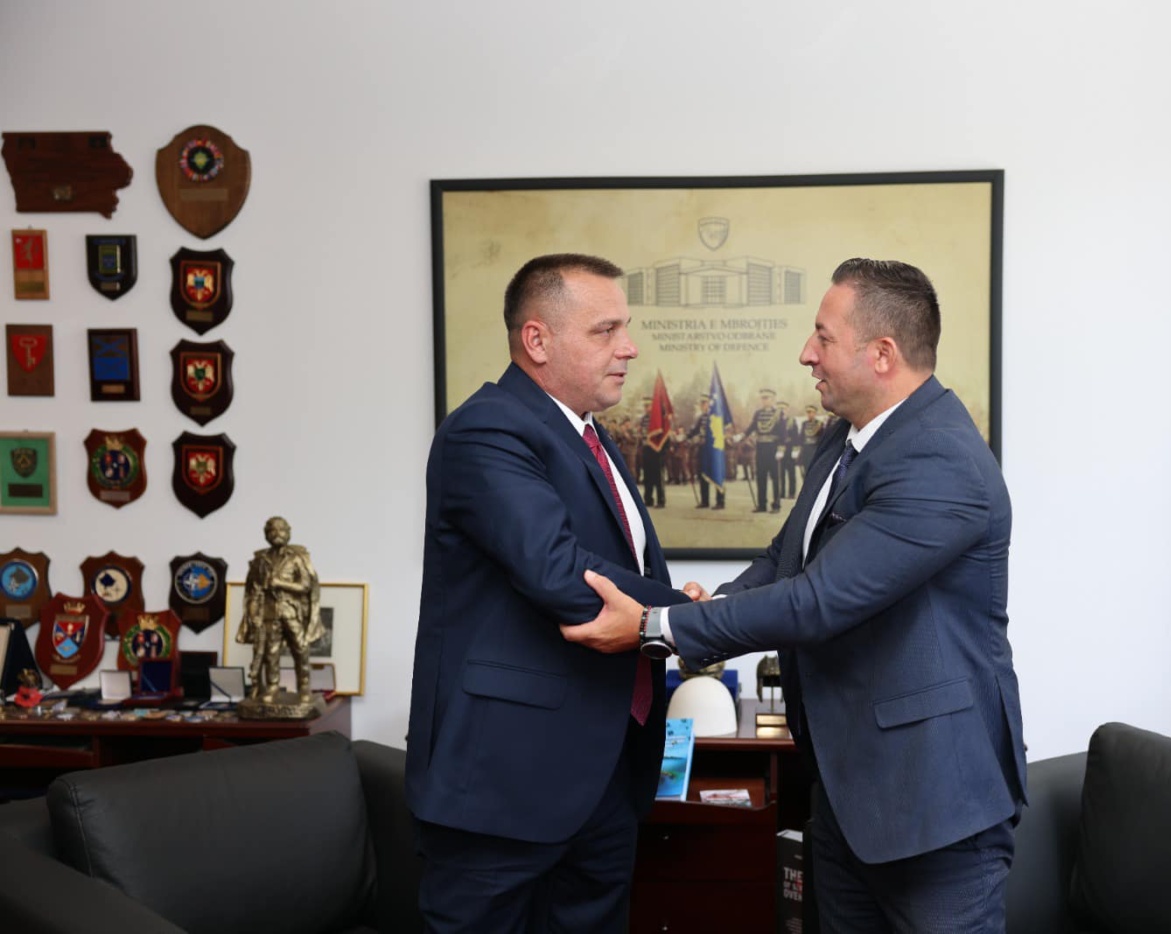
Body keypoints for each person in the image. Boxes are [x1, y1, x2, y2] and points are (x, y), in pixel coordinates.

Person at [563, 258, 1026, 934]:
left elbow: (819, 601)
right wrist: (700, 610)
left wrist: (657, 627)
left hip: (934, 804)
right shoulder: (845, 440)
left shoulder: (941, 459)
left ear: (882, 354)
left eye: (823, 338)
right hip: (846, 793)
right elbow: (785, 561)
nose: (807, 353)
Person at [406, 253, 691, 933]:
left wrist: (674, 606)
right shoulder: (487, 428)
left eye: (625, 328)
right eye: (605, 330)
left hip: (602, 774)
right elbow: (558, 571)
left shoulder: (589, 436)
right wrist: (690, 615)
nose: (629, 347)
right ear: (537, 340)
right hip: (504, 783)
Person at [236, 516, 322, 704]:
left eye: (282, 529)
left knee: (300, 649)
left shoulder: (297, 558)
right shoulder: (260, 560)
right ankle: (272, 686)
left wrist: (280, 583)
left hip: (291, 612)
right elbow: (253, 590)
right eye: (272, 530)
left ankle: (304, 686)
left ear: (288, 533)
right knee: (271, 652)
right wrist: (253, 614)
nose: (277, 534)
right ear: (266, 534)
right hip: (269, 613)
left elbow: (305, 586)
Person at [739, 387, 784, 512]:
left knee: (775, 477)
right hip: (761, 448)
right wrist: (743, 435)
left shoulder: (778, 413)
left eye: (766, 398)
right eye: (762, 398)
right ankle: (762, 504)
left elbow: (783, 433)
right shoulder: (758, 413)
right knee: (761, 476)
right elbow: (752, 426)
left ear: (772, 399)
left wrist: (781, 449)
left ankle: (776, 505)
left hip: (773, 448)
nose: (764, 400)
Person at [687, 396, 725, 510]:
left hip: (714, 449)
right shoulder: (701, 417)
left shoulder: (716, 416)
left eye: (705, 403)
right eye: (702, 403)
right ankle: (704, 500)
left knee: (716, 473)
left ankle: (720, 501)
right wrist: (686, 437)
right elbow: (694, 430)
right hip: (703, 449)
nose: (703, 405)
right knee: (702, 474)